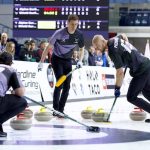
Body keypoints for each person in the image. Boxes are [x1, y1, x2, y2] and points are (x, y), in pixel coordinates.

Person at [38, 14, 85, 117]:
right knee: (60, 82)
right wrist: (41, 62)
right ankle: (55, 109)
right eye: (72, 24)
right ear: (67, 23)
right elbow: (48, 48)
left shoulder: (79, 34)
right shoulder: (59, 33)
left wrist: (80, 60)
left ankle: (61, 110)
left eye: (76, 24)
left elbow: (82, 49)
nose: (74, 27)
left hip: (68, 60)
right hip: (57, 59)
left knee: (67, 86)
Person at [92, 33, 150, 115]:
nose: (97, 48)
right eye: (95, 47)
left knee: (131, 97)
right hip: (146, 64)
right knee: (146, 91)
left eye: (97, 46)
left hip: (141, 69)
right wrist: (127, 52)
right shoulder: (114, 39)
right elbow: (123, 35)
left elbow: (120, 73)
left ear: (103, 41)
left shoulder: (112, 51)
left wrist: (117, 88)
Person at [0, 52, 27, 137]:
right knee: (22, 102)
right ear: (11, 63)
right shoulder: (11, 70)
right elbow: (20, 93)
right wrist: (14, 91)